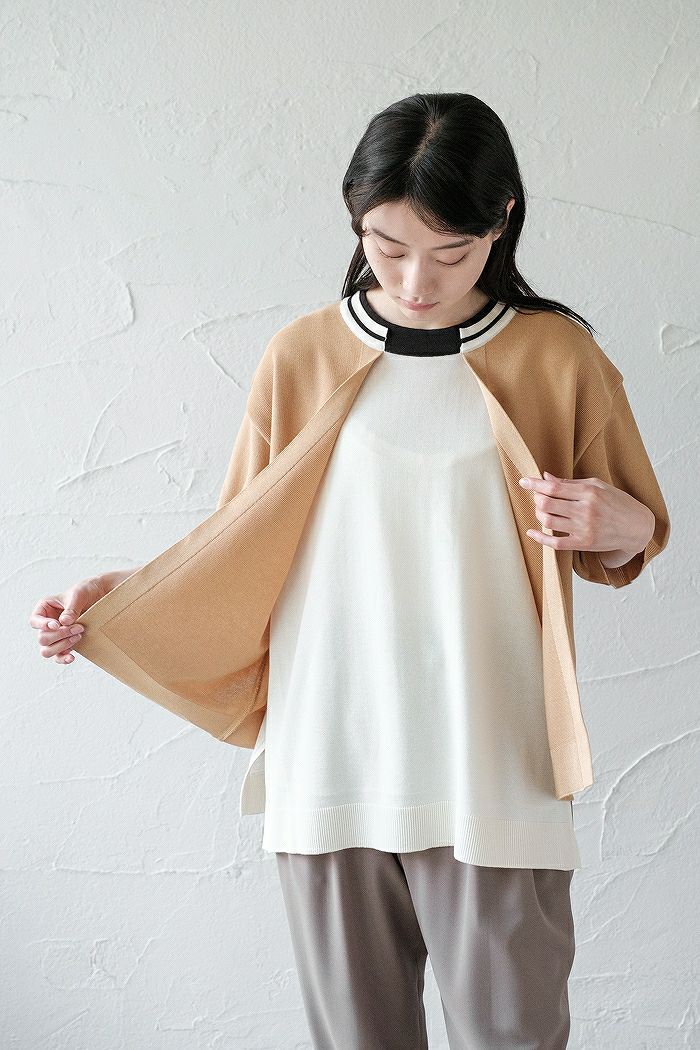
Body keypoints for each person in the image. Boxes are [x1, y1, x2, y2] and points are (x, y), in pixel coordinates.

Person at [30, 93, 671, 1049]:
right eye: (387, 246)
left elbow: (631, 538)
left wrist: (624, 523)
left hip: (492, 762)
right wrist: (121, 597)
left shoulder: (558, 358)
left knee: (516, 1035)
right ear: (355, 219)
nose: (416, 281)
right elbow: (239, 547)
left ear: (501, 222)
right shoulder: (300, 358)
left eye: (451, 254)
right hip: (329, 759)